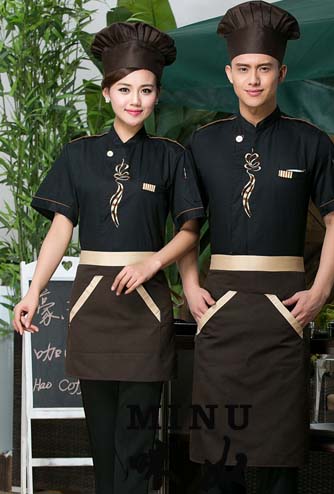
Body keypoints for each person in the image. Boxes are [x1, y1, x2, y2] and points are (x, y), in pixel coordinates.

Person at [13, 21, 204, 494]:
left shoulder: (171, 156)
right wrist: (34, 292)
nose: (135, 100)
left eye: (146, 90)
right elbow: (61, 230)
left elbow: (189, 230)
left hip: (146, 304)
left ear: (157, 95)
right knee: (101, 441)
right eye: (124, 89)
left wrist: (151, 264)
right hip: (93, 305)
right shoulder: (77, 155)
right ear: (106, 93)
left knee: (135, 441)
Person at [179, 2, 334, 493]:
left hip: (284, 308)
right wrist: (190, 286)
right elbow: (187, 224)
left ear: (281, 72)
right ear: (229, 74)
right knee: (220, 453)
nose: (253, 79)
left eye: (264, 69)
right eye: (243, 69)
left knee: (280, 455)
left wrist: (320, 291)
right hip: (220, 307)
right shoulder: (203, 143)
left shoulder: (310, 141)